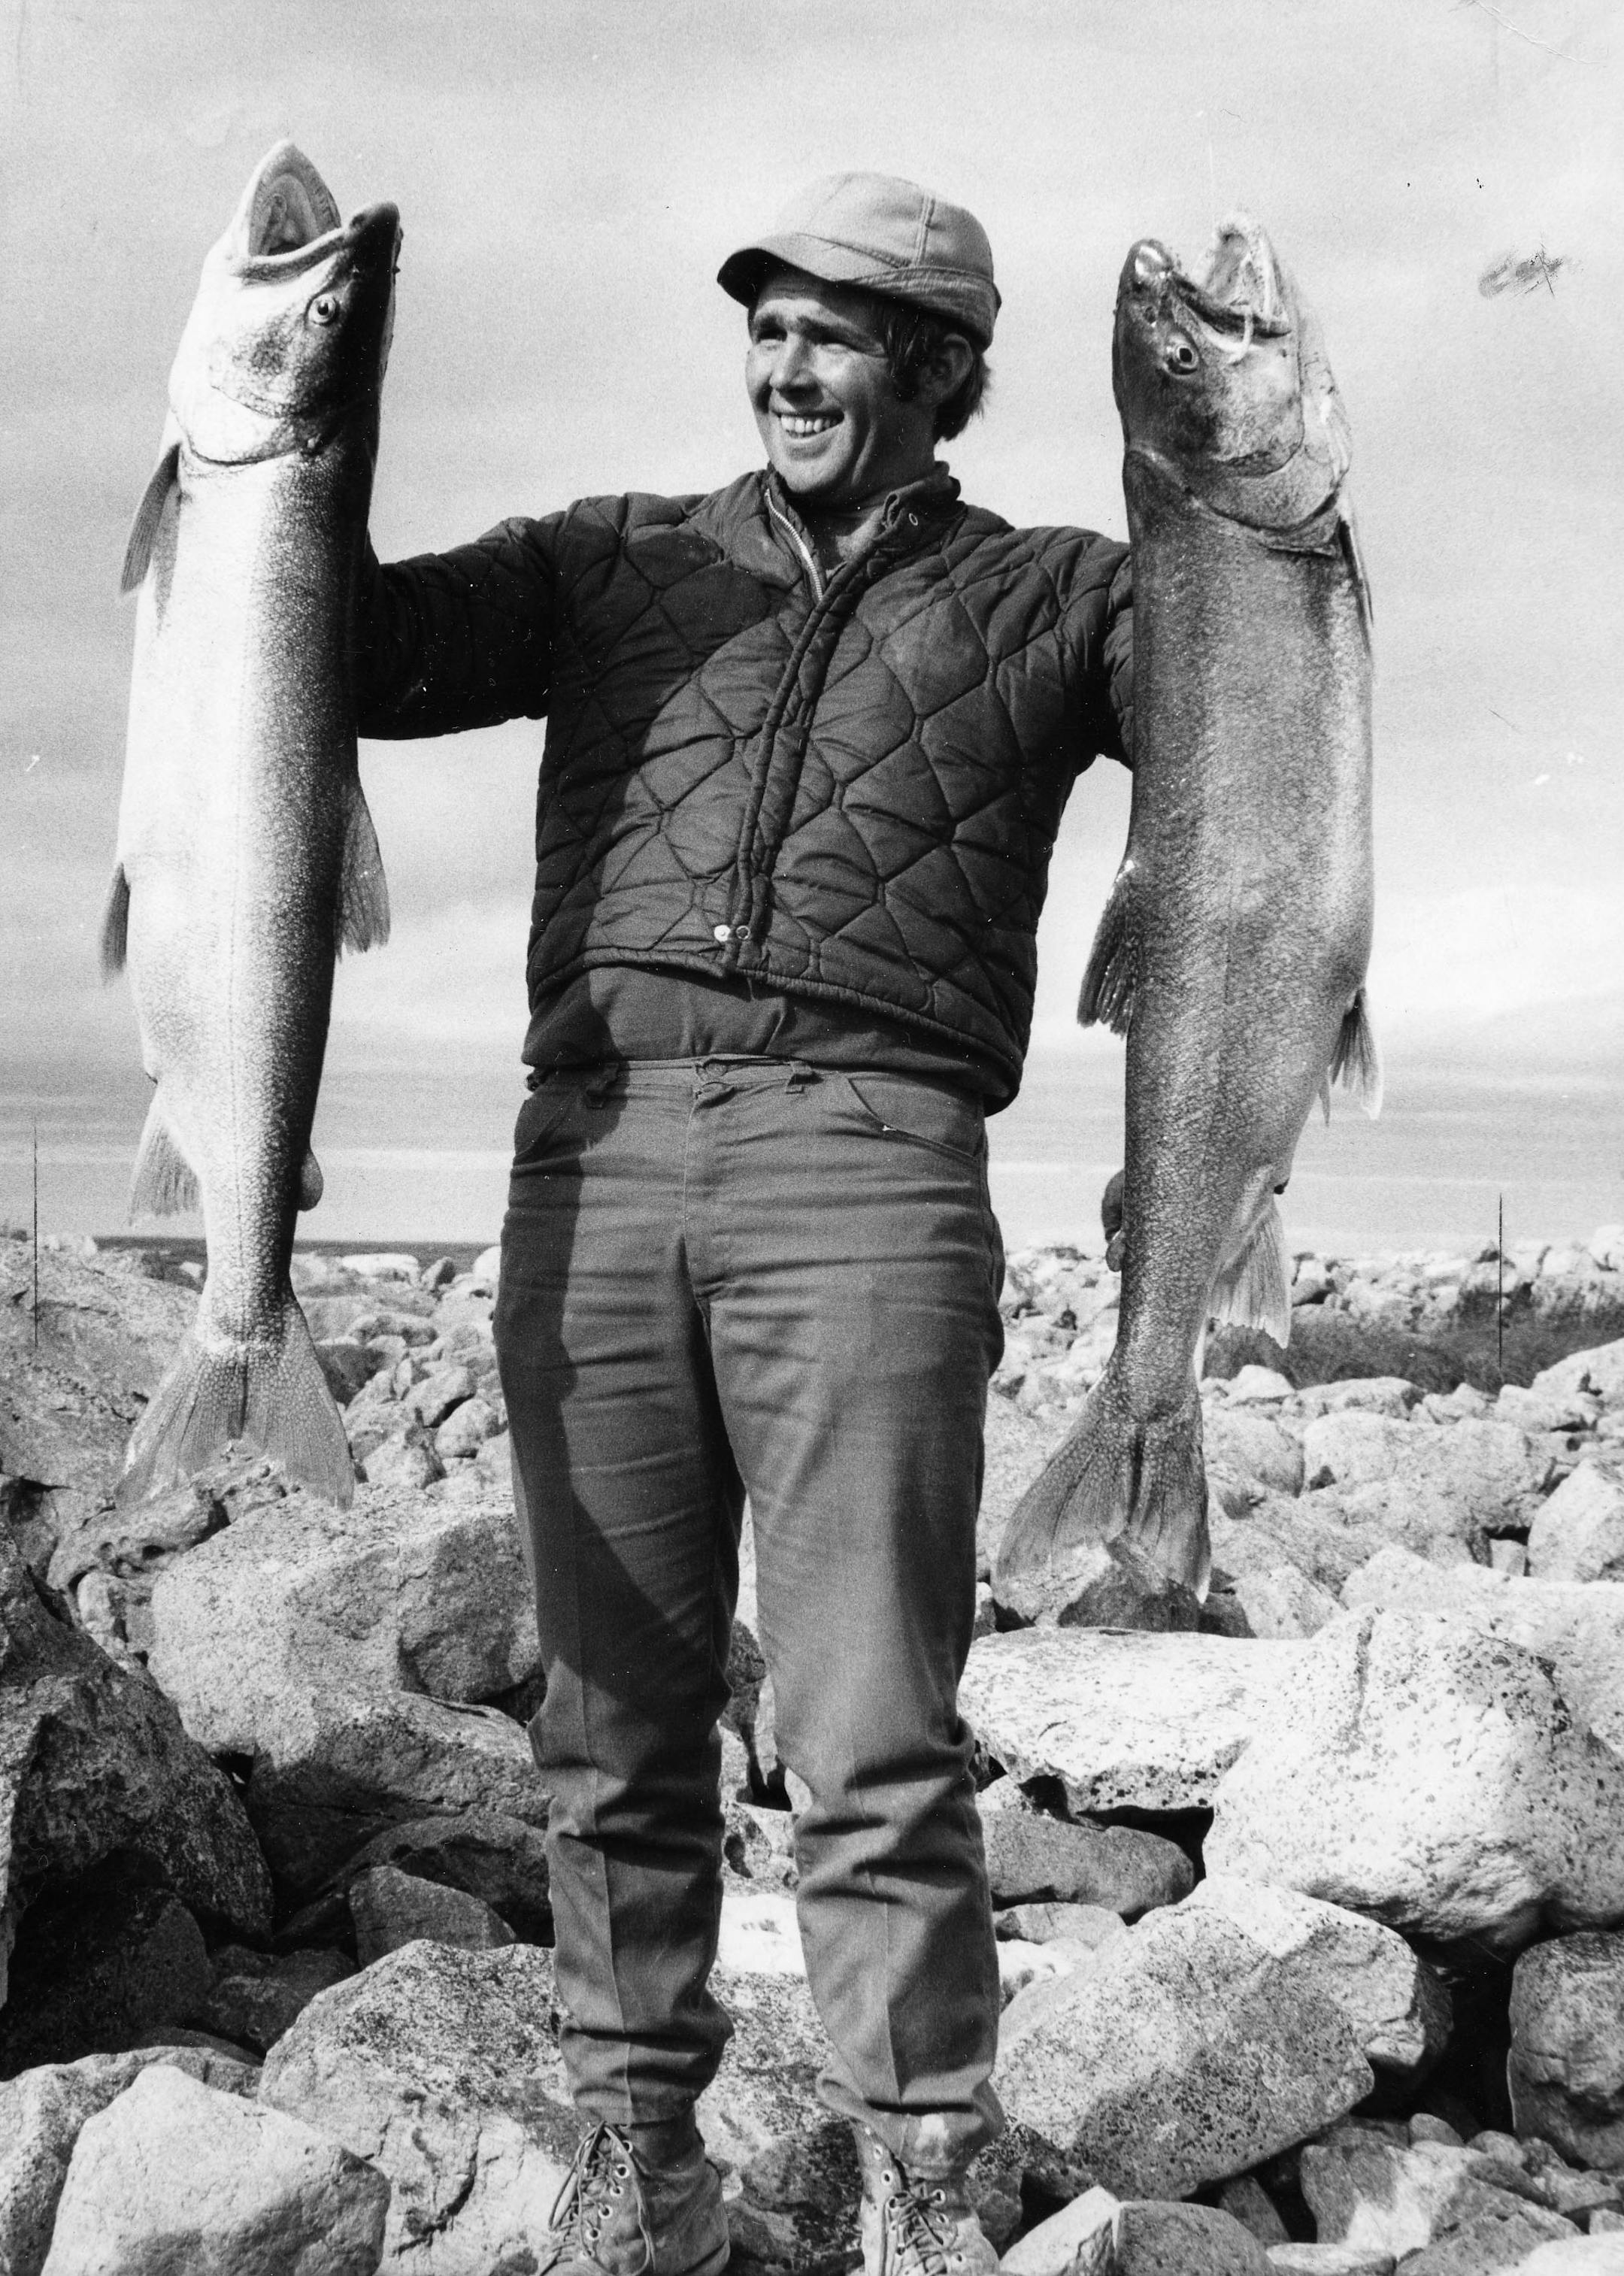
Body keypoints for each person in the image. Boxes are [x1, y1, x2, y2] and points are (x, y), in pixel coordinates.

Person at [353, 171, 1132, 2276]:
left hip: (868, 1162)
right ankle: (642, 2166)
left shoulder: (1059, 599)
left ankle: (924, 2176)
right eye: (766, 330)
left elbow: (1251, 680)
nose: (784, 369)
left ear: (940, 372)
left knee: (870, 1725)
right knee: (610, 1718)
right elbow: (363, 652)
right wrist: (278, 443)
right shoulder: (613, 559)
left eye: (834, 336)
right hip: (593, 1150)